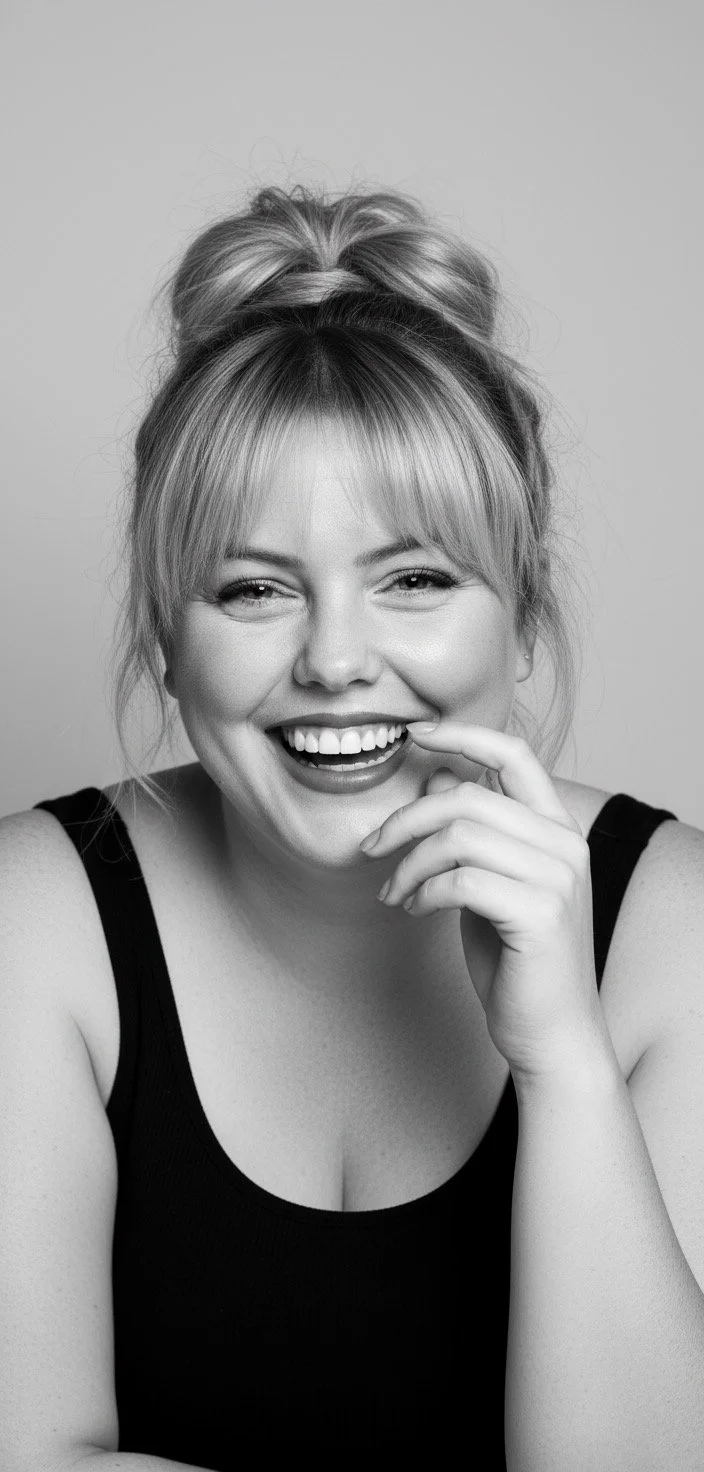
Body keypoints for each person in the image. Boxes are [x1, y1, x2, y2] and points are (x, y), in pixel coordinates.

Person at [2, 182, 703, 1472]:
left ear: (525, 619)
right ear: (167, 636)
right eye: (255, 587)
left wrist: (563, 1061)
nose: (336, 661)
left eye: (415, 580)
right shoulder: (33, 919)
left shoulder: (672, 926)